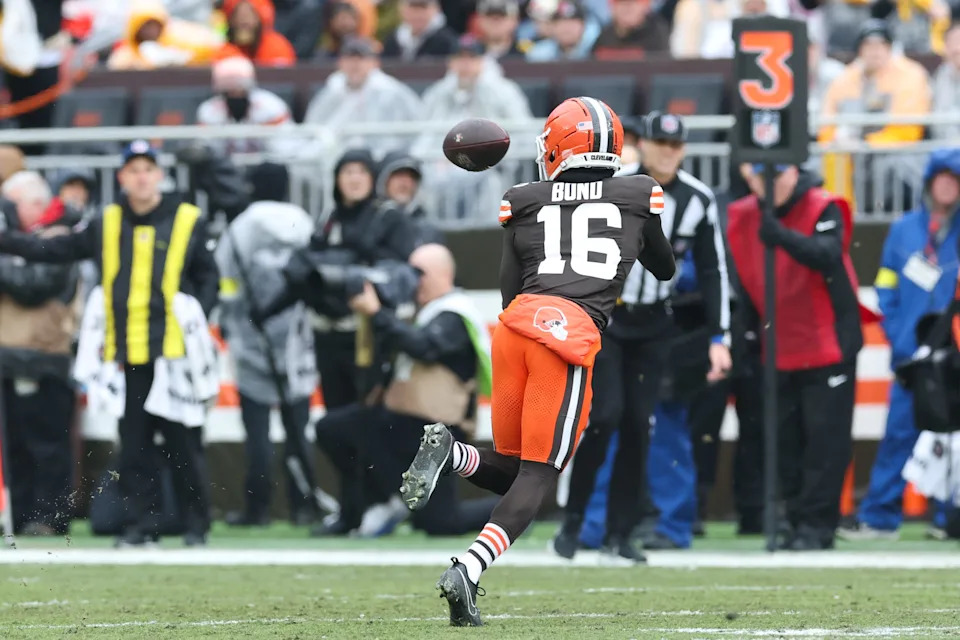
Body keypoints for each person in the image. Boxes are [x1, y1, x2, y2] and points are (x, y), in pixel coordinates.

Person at [399, 97, 676, 626]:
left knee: (512, 473)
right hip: (567, 336)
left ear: (557, 146)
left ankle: (452, 455)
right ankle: (468, 567)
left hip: (516, 328)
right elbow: (662, 269)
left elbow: (508, 289)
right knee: (540, 475)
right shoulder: (640, 193)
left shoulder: (523, 199)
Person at [0, 141, 220, 547]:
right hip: (128, 352)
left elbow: (208, 276)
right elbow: (57, 247)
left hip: (174, 353)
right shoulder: (108, 220)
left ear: (159, 175)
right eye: (133, 170)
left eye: (147, 169)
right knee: (134, 445)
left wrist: (198, 315)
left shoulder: (187, 218)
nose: (141, 177)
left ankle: (196, 525)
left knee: (182, 443)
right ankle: (141, 525)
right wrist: (9, 242)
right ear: (122, 177)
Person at [554, 112, 731, 556]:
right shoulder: (613, 188)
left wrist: (719, 336)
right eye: (659, 142)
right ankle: (573, 520)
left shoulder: (698, 199)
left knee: (639, 426)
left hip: (654, 324)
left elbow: (714, 271)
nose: (667, 151)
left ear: (684, 149)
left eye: (675, 144)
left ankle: (620, 531)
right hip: (609, 320)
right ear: (644, 144)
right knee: (606, 416)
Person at [314, 244, 497, 537]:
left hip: (434, 437)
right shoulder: (420, 311)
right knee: (335, 428)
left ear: (443, 274)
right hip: (399, 426)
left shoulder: (454, 314)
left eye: (419, 273)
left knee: (439, 523)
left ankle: (512, 508)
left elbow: (423, 347)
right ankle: (365, 508)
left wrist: (377, 313)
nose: (412, 279)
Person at [728, 163, 862, 550]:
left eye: (777, 173)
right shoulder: (742, 216)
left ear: (794, 171)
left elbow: (828, 254)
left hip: (828, 341)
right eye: (758, 175)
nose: (770, 183)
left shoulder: (824, 206)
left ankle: (818, 525)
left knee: (825, 442)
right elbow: (744, 279)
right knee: (785, 442)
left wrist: (782, 236)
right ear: (747, 177)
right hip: (778, 344)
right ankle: (793, 518)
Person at [838, 150, 960, 541]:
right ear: (928, 182)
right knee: (898, 435)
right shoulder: (904, 229)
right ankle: (879, 517)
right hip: (910, 356)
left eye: (954, 179)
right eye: (941, 177)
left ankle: (949, 519)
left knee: (954, 440)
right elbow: (887, 285)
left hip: (954, 356)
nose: (947, 185)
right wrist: (896, 331)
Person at [216, 163, 320, 527]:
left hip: (250, 338)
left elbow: (226, 281)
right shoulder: (303, 222)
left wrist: (232, 323)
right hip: (297, 342)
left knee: (257, 433)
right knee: (297, 430)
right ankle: (303, 505)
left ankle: (256, 509)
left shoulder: (240, 226)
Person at [0, 172, 79, 536]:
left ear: (34, 204)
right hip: (9, 356)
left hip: (44, 356)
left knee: (47, 445)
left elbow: (35, 286)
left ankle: (49, 517)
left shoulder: (62, 239)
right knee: (14, 446)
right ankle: (18, 516)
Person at [303, 37, 422, 153]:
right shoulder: (330, 93)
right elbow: (312, 130)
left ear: (375, 63)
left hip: (384, 155)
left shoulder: (393, 92)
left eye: (361, 58)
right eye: (350, 58)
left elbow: (416, 129)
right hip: (337, 157)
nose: (355, 64)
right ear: (340, 63)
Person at [196, 56, 297, 157]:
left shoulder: (270, 106)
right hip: (225, 168)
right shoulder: (209, 111)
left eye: (240, 88)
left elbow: (284, 149)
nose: (235, 93)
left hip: (264, 165)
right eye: (228, 90)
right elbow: (208, 151)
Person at [106, 0, 221, 70]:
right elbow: (115, 68)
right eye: (144, 25)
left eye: (153, 24)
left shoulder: (180, 39)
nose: (149, 30)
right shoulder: (127, 53)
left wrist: (180, 61)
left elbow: (209, 48)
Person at [216, 0, 297, 66]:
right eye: (238, 15)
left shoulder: (277, 47)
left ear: (260, 19)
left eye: (249, 15)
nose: (244, 20)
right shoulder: (226, 53)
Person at [591, 0, 670, 60]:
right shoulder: (605, 35)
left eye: (633, 3)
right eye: (621, 3)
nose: (627, 8)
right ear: (612, 7)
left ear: (645, 7)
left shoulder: (657, 33)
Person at [381, 0, 458, 60]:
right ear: (402, 10)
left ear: (436, 9)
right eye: (413, 8)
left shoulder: (447, 41)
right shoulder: (393, 39)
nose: (418, 14)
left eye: (423, 8)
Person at [525, 0, 601, 62]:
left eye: (572, 23)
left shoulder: (597, 51)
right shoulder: (540, 54)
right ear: (552, 26)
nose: (566, 29)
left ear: (583, 26)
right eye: (560, 23)